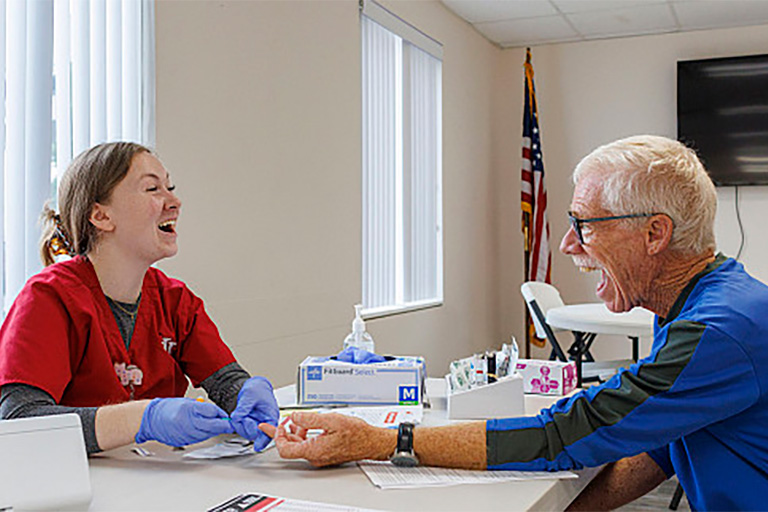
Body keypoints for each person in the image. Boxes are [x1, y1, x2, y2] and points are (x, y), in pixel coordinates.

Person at [261, 135, 768, 510]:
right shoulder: (691, 304)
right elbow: (659, 445)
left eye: (584, 225)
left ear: (655, 233)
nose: (570, 245)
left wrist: (383, 440)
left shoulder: (718, 332)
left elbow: (562, 434)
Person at [0, 142, 279, 454]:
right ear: (101, 215)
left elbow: (224, 381)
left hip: (157, 480)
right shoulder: (48, 299)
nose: (174, 202)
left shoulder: (175, 301)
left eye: (170, 187)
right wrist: (144, 419)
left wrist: (245, 393)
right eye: (152, 189)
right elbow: (18, 422)